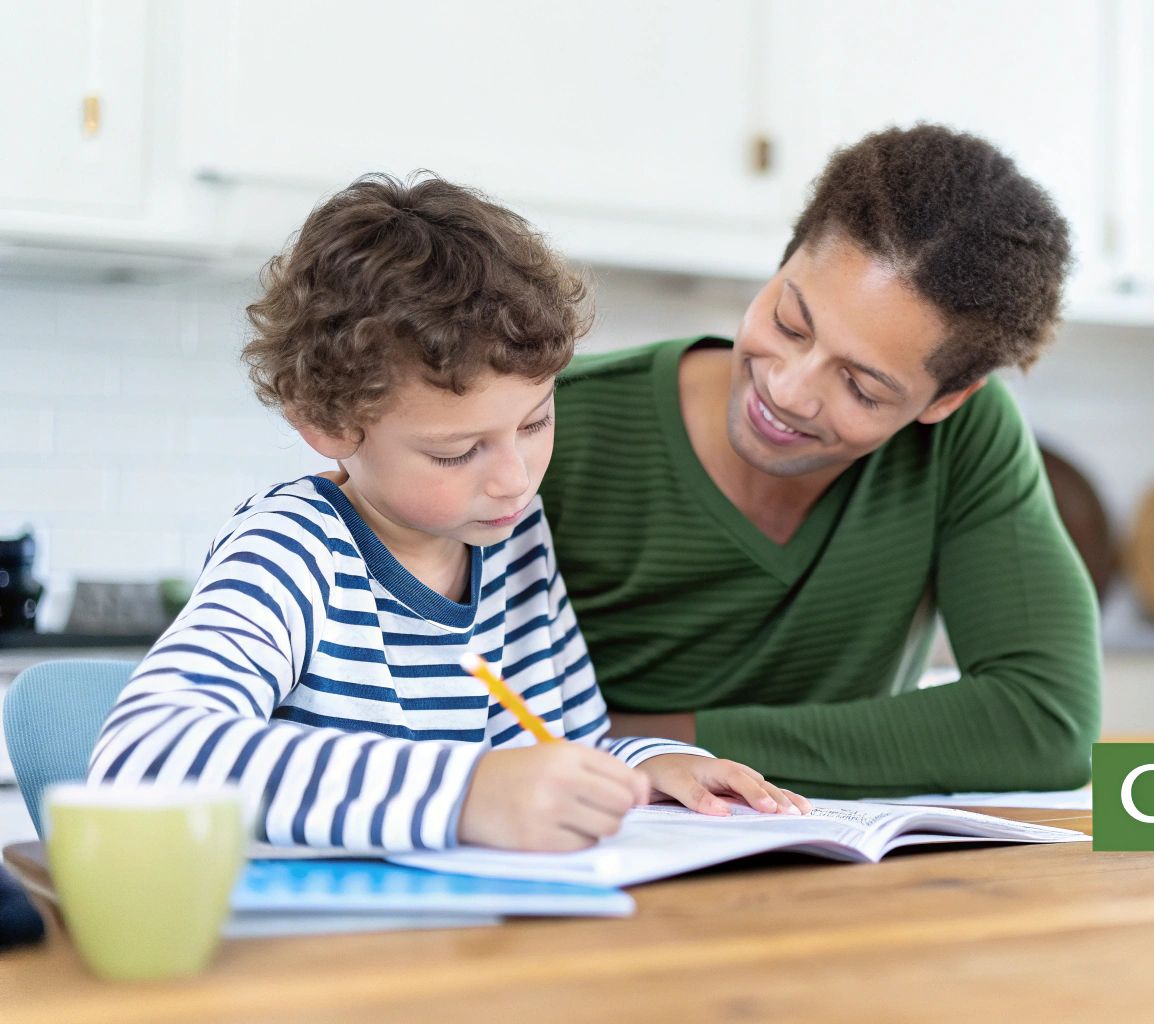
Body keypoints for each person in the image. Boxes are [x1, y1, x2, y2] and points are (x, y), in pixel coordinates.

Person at [87, 174, 809, 853]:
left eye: (535, 423)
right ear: (326, 425)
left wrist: (648, 765)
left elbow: (555, 749)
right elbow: (143, 754)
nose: (514, 481)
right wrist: (464, 795)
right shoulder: (293, 551)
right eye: (457, 452)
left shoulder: (512, 541)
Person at [542, 125, 1101, 797]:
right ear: (783, 261)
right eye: (789, 323)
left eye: (862, 387)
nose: (787, 390)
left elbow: (1045, 722)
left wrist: (640, 743)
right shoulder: (546, 426)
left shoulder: (962, 441)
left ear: (946, 400)